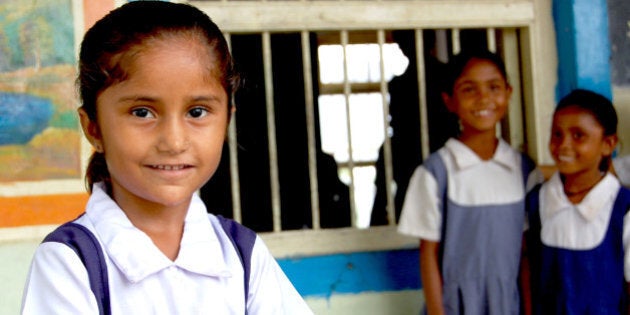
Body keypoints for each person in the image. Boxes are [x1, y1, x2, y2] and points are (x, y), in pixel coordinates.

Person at [20, 2, 312, 314]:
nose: (174, 141)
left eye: (197, 112)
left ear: (226, 119)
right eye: (142, 112)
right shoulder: (72, 261)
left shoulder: (243, 254)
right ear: (93, 128)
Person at [397, 49, 541, 314]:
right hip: (456, 305)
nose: (483, 98)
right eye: (469, 89)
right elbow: (428, 255)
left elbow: (524, 255)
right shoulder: (436, 172)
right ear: (449, 101)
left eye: (493, 87)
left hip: (508, 305)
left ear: (508, 93)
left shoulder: (523, 170)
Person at [524, 89, 629, 314]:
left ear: (608, 144)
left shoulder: (623, 209)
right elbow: (526, 274)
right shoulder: (536, 202)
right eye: (557, 134)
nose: (563, 145)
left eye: (578, 135)